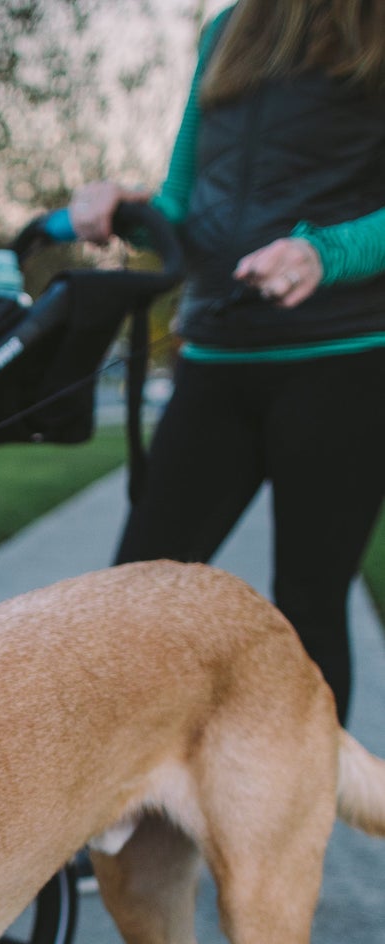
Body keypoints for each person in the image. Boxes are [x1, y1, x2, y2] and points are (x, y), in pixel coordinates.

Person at [70, 0, 385, 723]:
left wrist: (324, 253)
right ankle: (105, 814)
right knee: (133, 592)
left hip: (343, 359)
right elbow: (184, 200)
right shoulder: (228, 27)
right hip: (215, 353)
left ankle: (296, 826)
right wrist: (124, 206)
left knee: (308, 604)